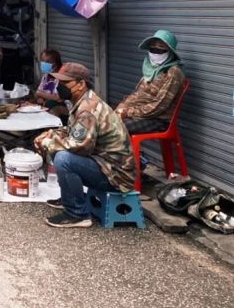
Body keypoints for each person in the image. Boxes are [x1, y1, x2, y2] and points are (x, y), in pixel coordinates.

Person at [34, 63, 136, 229]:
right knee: (57, 147)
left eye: (65, 83)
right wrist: (52, 134)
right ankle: (70, 197)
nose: (59, 87)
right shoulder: (82, 101)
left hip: (116, 176)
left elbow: (80, 146)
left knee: (63, 157)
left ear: (81, 84)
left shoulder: (88, 108)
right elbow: (74, 132)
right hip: (103, 165)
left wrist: (47, 142)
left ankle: (77, 214)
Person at [115, 30, 185, 135]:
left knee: (113, 128)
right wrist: (122, 107)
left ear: (170, 51)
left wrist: (128, 112)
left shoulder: (173, 72)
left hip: (157, 119)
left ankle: (124, 151)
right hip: (136, 114)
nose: (156, 50)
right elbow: (137, 95)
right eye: (153, 46)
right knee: (101, 121)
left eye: (161, 47)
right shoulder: (151, 69)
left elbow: (159, 106)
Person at [34, 48, 67, 119]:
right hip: (48, 106)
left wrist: (40, 94)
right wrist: (40, 97)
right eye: (42, 60)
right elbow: (37, 94)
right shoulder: (46, 76)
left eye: (48, 61)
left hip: (63, 108)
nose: (44, 63)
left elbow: (59, 98)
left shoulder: (62, 77)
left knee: (50, 102)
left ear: (55, 64)